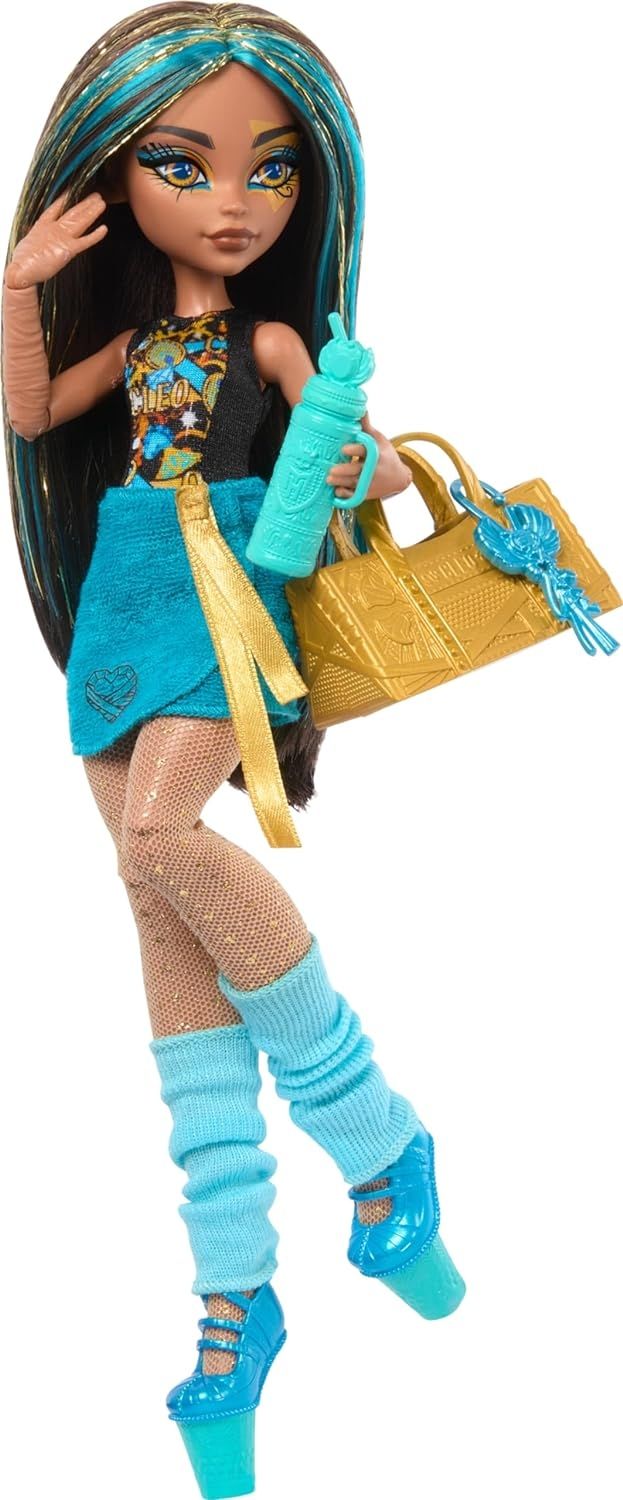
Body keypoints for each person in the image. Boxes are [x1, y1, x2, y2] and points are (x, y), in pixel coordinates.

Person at [2, 6, 464, 1495]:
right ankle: (234, 1304)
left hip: (223, 603)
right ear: (114, 176)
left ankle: (379, 1143)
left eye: (270, 170)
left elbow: (351, 459)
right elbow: (32, 412)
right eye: (184, 163)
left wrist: (355, 460)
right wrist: (20, 285)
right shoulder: (138, 342)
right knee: (159, 916)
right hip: (120, 616)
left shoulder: (274, 338)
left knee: (159, 843)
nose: (231, 201)